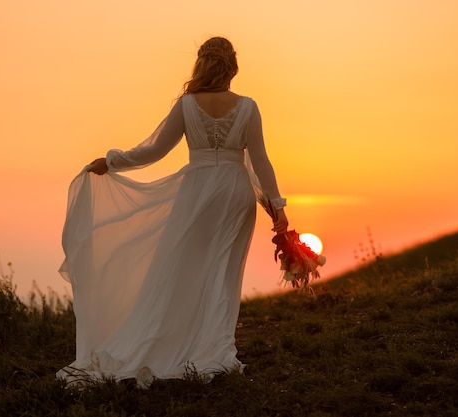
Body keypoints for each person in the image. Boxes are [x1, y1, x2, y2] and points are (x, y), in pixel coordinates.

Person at [57, 37, 288, 387]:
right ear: (233, 66)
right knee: (223, 274)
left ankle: (177, 341)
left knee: (182, 267)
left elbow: (154, 150)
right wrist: (276, 205)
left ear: (201, 64)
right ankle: (213, 347)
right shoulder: (248, 107)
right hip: (235, 195)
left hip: (197, 192)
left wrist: (113, 161)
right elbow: (261, 161)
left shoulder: (187, 105)